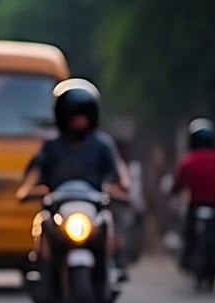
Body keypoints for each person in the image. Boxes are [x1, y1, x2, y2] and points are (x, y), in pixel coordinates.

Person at [16, 78, 131, 278]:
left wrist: (121, 188)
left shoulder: (103, 145)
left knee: (107, 222)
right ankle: (41, 269)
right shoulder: (51, 146)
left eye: (84, 114)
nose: (80, 120)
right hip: (58, 210)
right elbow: (34, 174)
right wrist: (27, 190)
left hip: (92, 209)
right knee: (43, 223)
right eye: (74, 114)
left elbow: (120, 175)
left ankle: (113, 266)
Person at [171, 118, 215, 272]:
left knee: (188, 231)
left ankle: (188, 258)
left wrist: (175, 191)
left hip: (195, 204)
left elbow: (178, 184)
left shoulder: (188, 160)